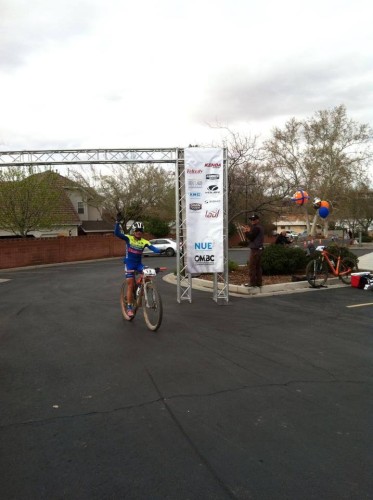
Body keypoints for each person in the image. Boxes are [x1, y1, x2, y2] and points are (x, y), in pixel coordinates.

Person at [114, 215, 165, 317]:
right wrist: (117, 223)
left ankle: (140, 288)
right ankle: (129, 307)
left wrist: (159, 251)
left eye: (141, 230)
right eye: (137, 230)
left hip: (139, 265)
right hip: (129, 265)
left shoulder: (144, 242)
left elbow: (153, 248)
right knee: (130, 284)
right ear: (134, 231)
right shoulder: (128, 238)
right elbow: (117, 233)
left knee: (148, 274)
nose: (139, 232)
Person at [244, 214, 264, 287]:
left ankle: (252, 283)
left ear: (257, 220)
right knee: (258, 267)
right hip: (259, 249)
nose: (252, 221)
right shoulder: (260, 227)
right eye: (251, 219)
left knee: (252, 266)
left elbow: (251, 237)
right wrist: (249, 231)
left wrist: (246, 232)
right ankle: (259, 283)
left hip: (255, 250)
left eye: (254, 219)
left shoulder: (256, 228)